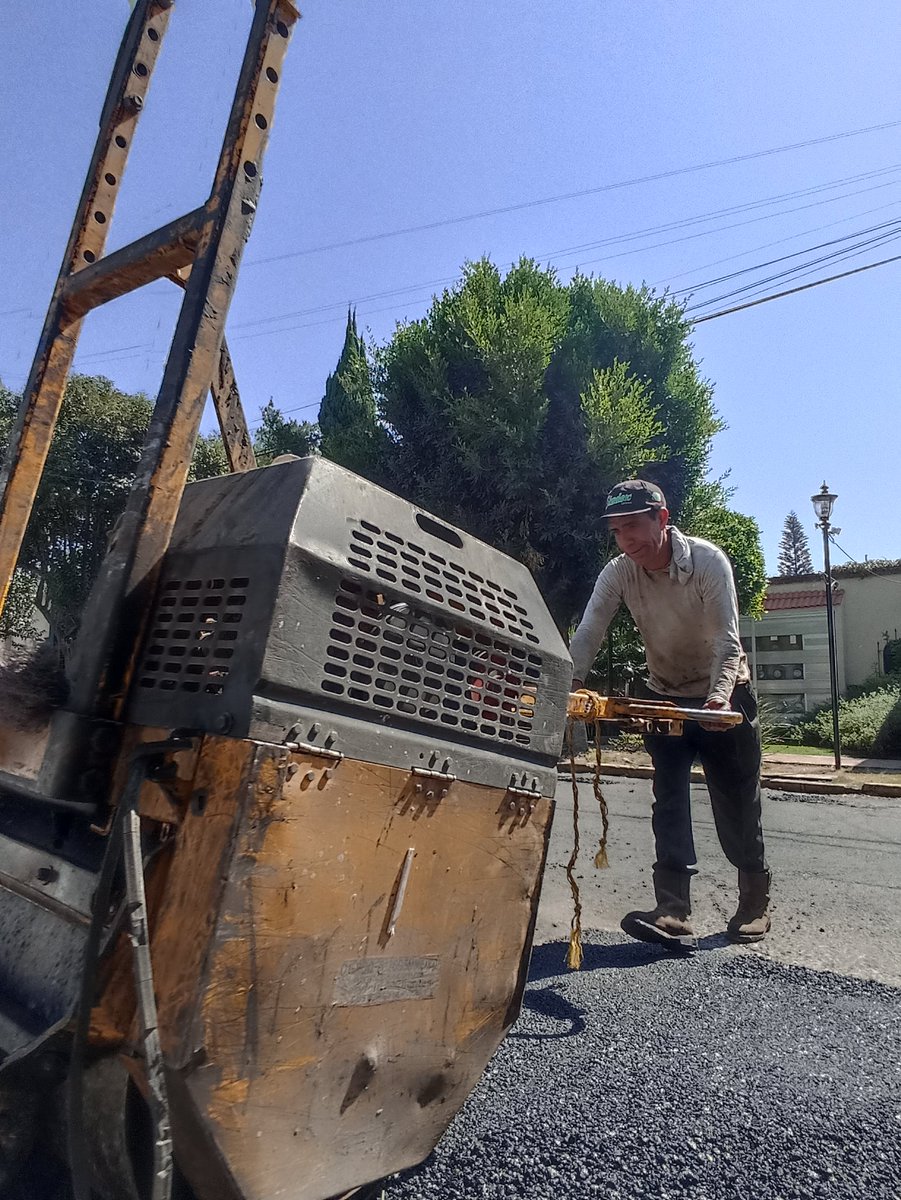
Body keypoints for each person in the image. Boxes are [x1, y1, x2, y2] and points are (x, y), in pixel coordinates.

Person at [569, 479, 770, 950]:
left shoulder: (707, 561)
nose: (626, 541)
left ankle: (754, 902)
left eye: (633, 527)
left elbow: (727, 641)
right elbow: (589, 632)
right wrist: (569, 683)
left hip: (726, 695)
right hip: (666, 697)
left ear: (662, 518)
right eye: (617, 532)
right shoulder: (619, 572)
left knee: (737, 802)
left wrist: (717, 699)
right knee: (669, 799)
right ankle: (673, 911)